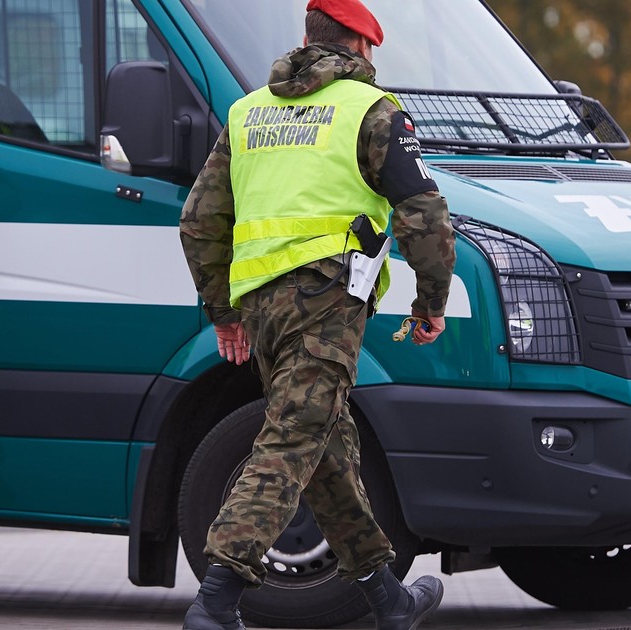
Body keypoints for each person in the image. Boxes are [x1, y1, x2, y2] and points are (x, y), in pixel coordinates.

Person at [177, 1, 456, 629]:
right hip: (328, 302)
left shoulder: (249, 113)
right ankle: (216, 600)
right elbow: (424, 214)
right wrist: (430, 302)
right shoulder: (371, 110)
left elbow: (197, 222)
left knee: (326, 447)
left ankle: (387, 600)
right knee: (292, 440)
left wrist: (223, 312)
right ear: (360, 43)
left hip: (262, 310)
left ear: (307, 37)